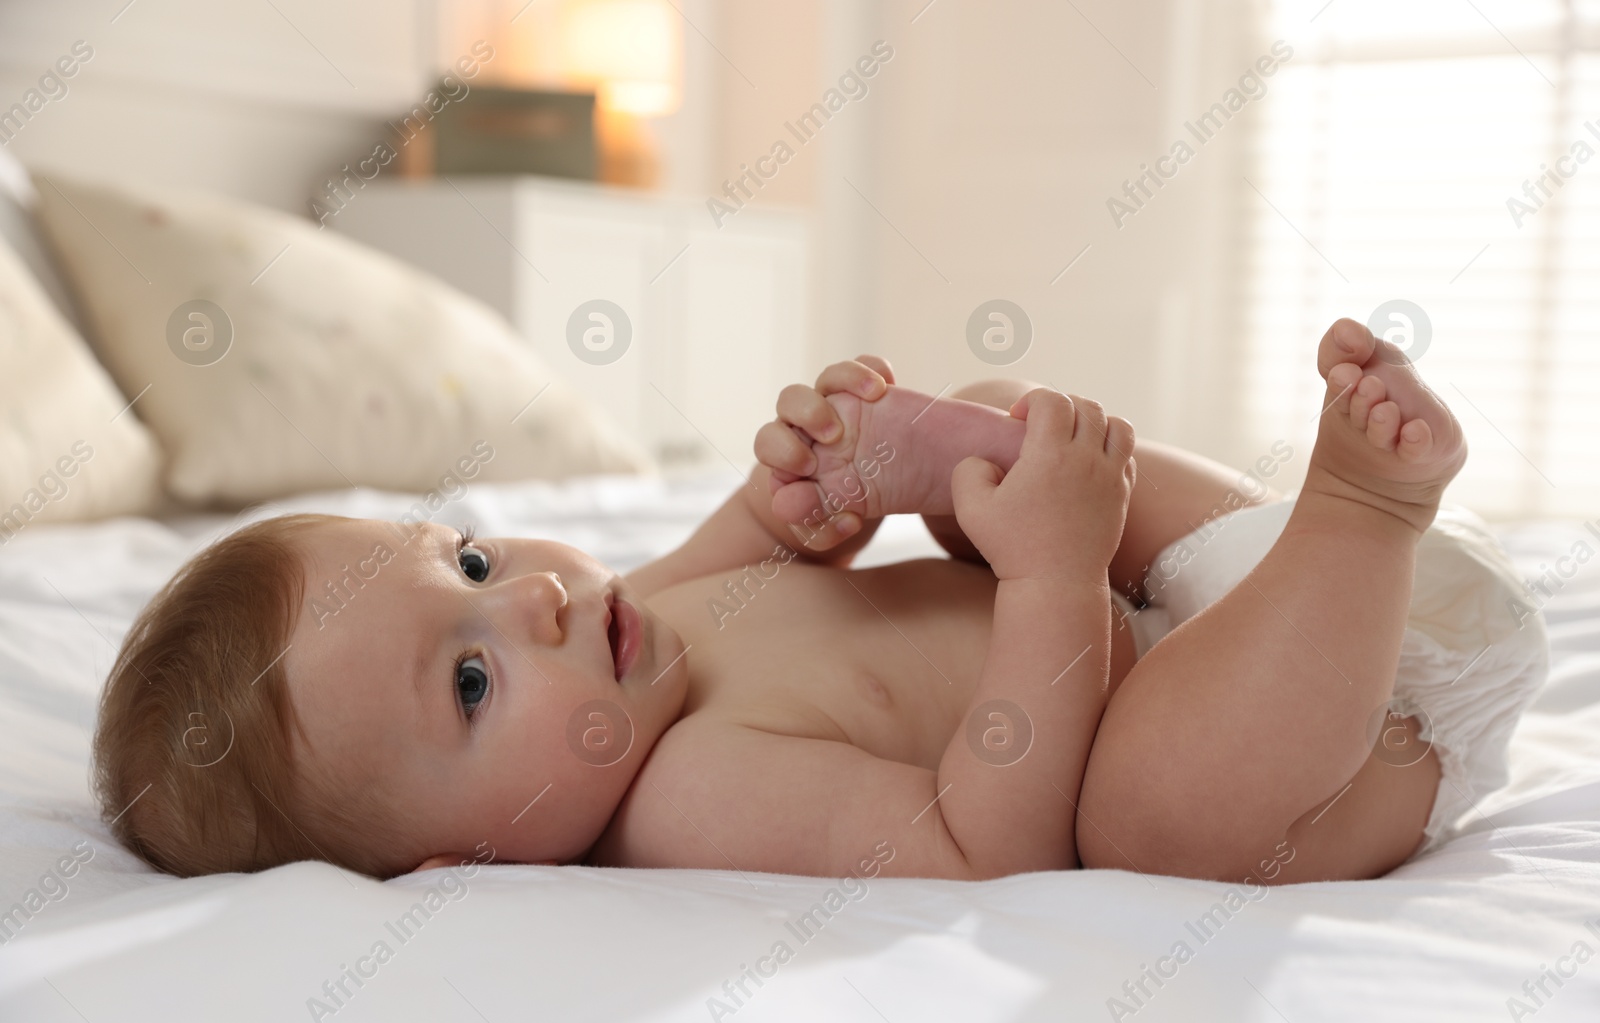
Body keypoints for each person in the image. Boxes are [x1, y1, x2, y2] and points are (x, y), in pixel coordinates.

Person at [93, 318, 1548, 885]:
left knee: (986, 423)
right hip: (1318, 750)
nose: (527, 606)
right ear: (458, 864)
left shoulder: (627, 622)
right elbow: (997, 846)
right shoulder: (692, 801)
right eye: (468, 686)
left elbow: (780, 542)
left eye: (466, 563)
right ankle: (1361, 514)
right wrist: (1044, 573)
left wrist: (843, 470)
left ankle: (1316, 537)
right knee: (1139, 825)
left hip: (1206, 599)